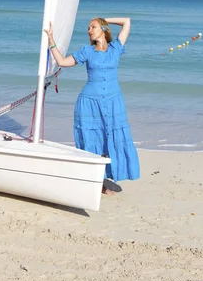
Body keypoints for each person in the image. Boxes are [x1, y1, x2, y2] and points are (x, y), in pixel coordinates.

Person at [44, 17, 140, 195]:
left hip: (113, 102)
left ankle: (108, 177)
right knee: (92, 142)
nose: (89, 30)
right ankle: (98, 182)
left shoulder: (115, 48)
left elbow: (127, 21)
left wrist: (104, 19)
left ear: (103, 28)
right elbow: (63, 62)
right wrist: (51, 41)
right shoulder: (87, 52)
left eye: (93, 27)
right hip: (89, 103)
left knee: (112, 138)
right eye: (88, 28)